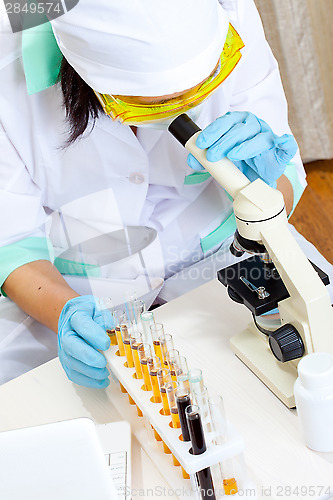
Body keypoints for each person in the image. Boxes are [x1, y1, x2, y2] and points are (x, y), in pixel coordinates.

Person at [0, 0, 331, 387]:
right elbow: (13, 238)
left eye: (197, 91)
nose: (181, 110)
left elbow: (280, 161)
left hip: (225, 252)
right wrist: (66, 313)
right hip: (74, 283)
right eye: (151, 105)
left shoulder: (229, 9)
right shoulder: (11, 49)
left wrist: (266, 192)